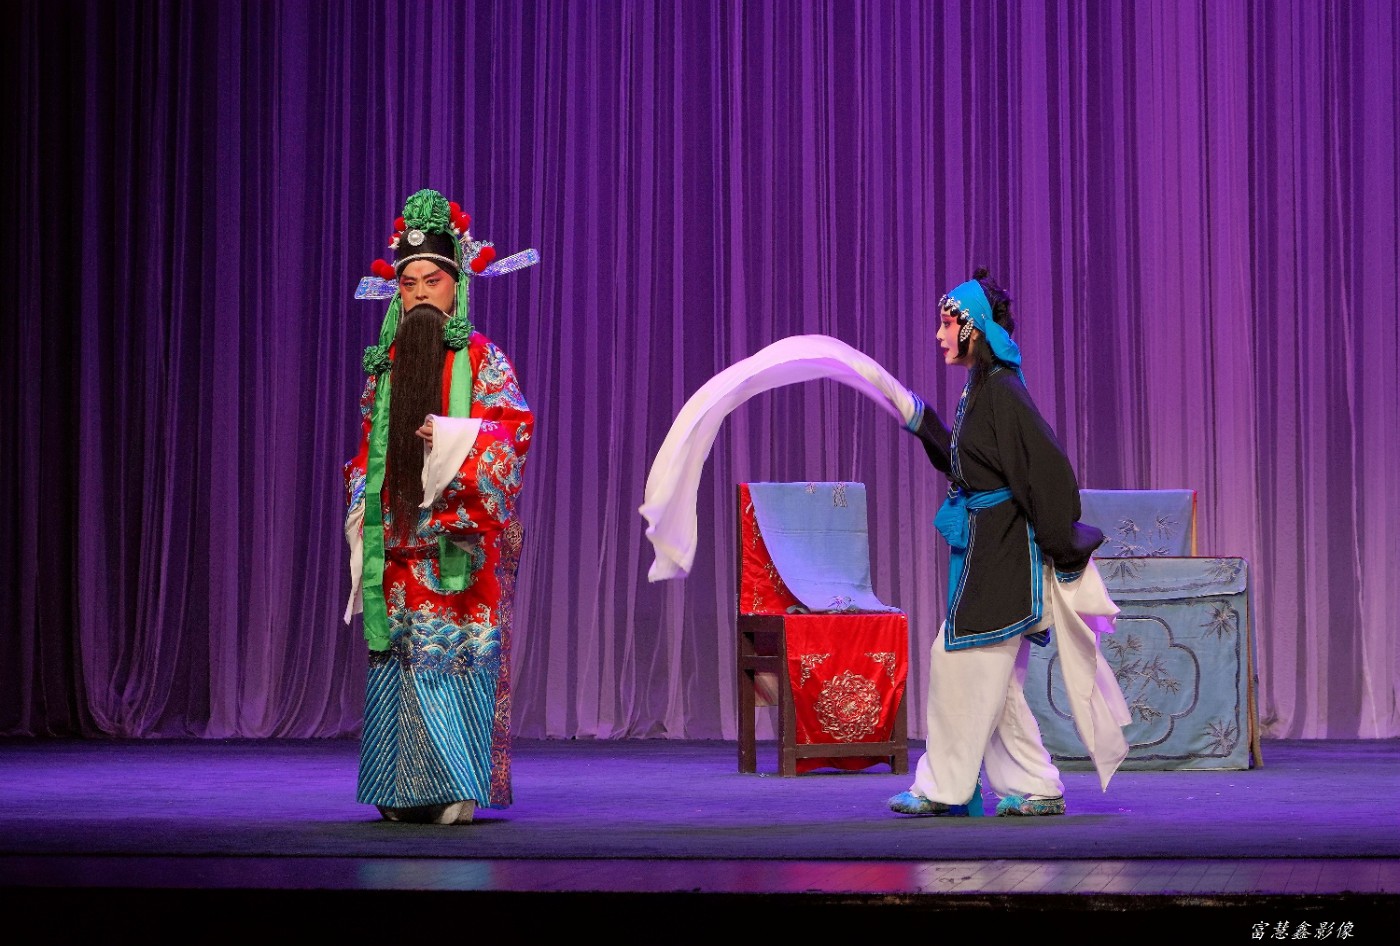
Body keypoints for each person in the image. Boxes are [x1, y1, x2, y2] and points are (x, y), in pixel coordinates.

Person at [888, 268, 1128, 818]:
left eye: (947, 324)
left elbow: (1047, 472)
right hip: (986, 547)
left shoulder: (1002, 391)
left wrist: (1063, 548)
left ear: (973, 328)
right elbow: (967, 466)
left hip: (1004, 553)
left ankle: (944, 787)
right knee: (997, 680)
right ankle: (1037, 784)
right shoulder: (980, 389)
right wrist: (920, 419)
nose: (939, 335)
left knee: (956, 659)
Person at [343, 188, 533, 824]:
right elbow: (366, 449)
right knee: (398, 659)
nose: (421, 294)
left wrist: (451, 440)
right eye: (410, 284)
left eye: (434, 281)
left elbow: (512, 433)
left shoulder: (483, 358)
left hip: (458, 538)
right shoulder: (385, 367)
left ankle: (454, 786)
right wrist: (361, 509)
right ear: (397, 293)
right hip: (399, 538)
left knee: (452, 656)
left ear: (457, 288)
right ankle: (399, 788)